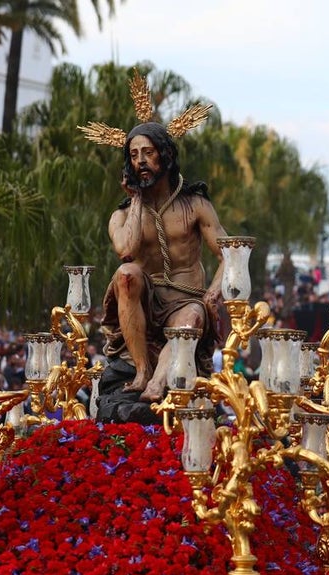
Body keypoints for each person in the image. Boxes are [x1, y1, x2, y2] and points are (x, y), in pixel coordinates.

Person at [104, 122, 227, 402]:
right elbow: (126, 250)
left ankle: (157, 384)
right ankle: (141, 371)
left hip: (188, 301)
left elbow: (228, 256)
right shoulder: (122, 215)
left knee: (189, 320)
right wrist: (135, 199)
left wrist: (212, 293)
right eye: (134, 155)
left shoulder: (196, 205)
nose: (141, 161)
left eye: (148, 152)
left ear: (166, 154)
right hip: (145, 302)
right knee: (126, 273)